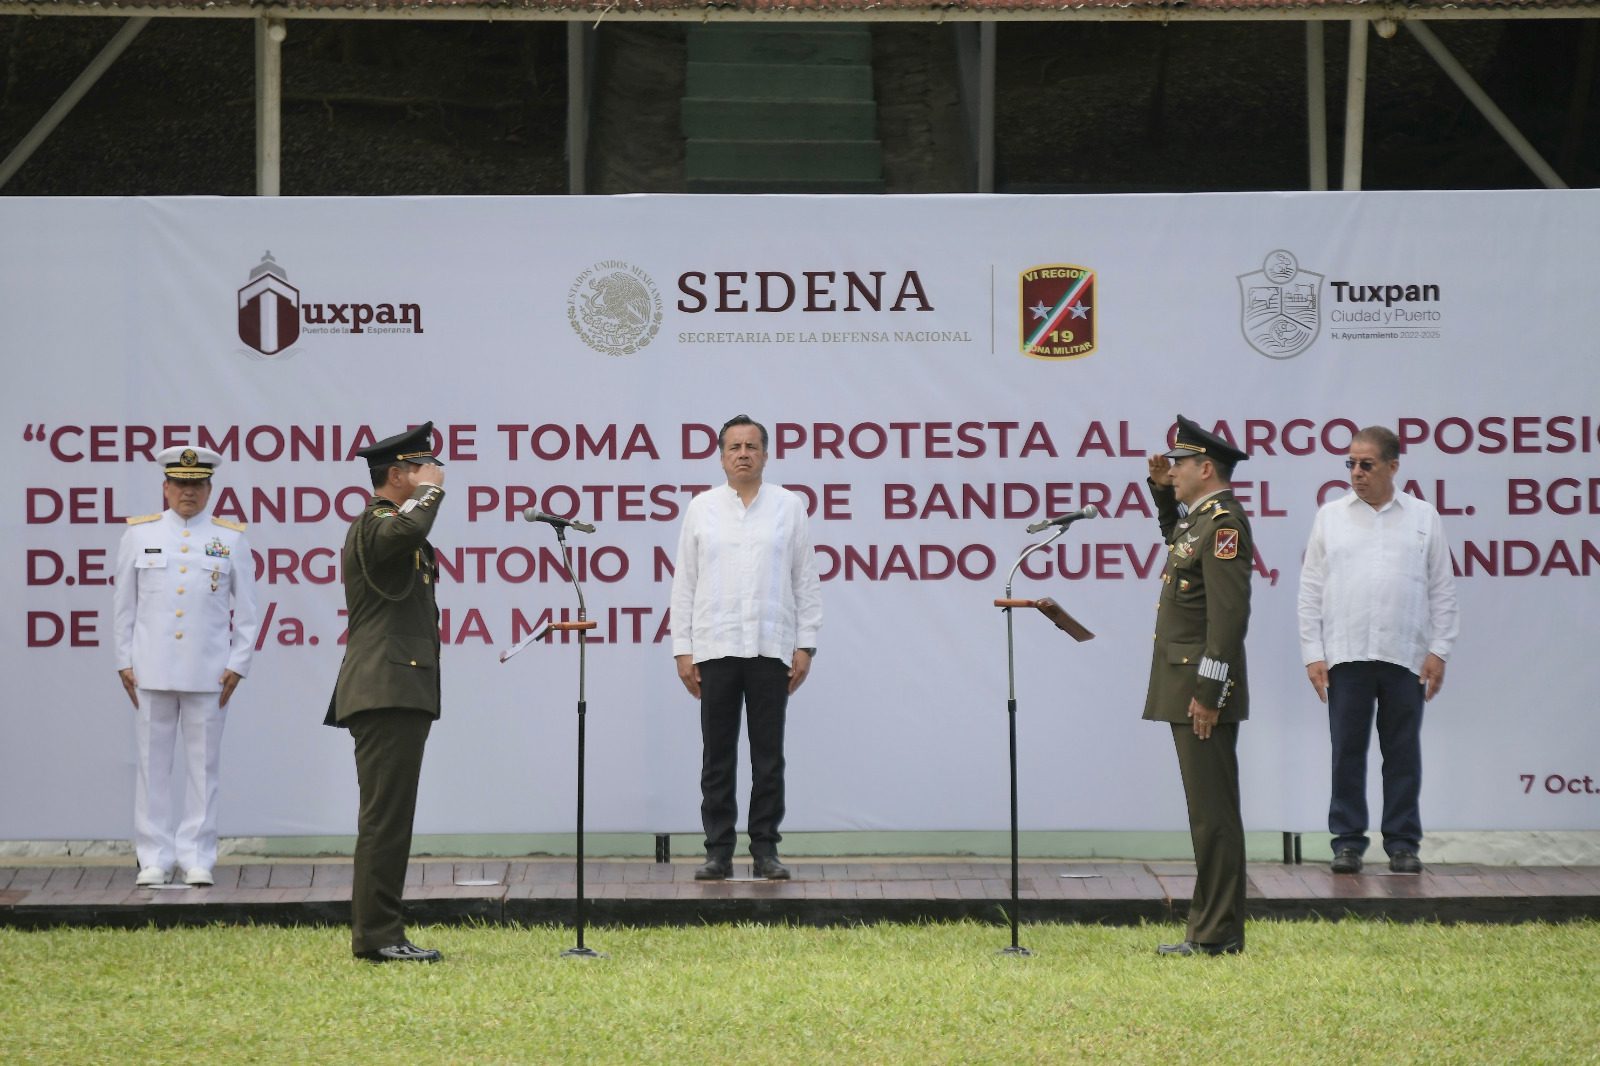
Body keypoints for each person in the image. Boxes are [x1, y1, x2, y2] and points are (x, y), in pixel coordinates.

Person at [1297, 425, 1459, 876]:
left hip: (1405, 655)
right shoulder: (1330, 516)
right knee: (1347, 751)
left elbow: (1441, 588)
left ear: (1393, 466)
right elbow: (1310, 589)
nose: (1356, 472)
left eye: (1366, 464)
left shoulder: (1423, 517)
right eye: (1349, 463)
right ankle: (1347, 842)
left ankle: (1403, 843)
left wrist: (1439, 649)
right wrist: (1313, 651)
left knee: (1402, 753)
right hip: (1345, 654)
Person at [670, 414, 822, 881]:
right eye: (734, 447)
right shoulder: (702, 508)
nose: (742, 454)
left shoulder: (788, 506)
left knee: (767, 756)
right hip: (715, 646)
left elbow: (805, 579)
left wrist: (806, 645)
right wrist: (683, 649)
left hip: (770, 647)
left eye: (751, 446)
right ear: (720, 456)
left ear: (765, 454)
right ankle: (718, 851)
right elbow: (685, 583)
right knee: (717, 756)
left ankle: (765, 850)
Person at [325, 422, 447, 963]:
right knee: (384, 820)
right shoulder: (376, 524)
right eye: (420, 468)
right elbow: (403, 533)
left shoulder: (389, 526)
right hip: (385, 687)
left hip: (398, 686)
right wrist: (431, 491)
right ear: (397, 475)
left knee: (391, 818)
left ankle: (383, 930)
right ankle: (378, 936)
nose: (433, 474)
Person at [113, 446, 258, 889]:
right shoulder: (139, 536)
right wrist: (124, 659)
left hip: (208, 671)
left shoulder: (230, 538)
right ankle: (153, 856)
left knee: (203, 767)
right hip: (152, 669)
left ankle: (198, 855)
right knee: (152, 767)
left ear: (210, 489)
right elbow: (124, 605)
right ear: (165, 488)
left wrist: (238, 662)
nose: (187, 493)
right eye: (180, 484)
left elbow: (248, 610)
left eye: (196, 485)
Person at [1143, 415, 1253, 957]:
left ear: (1205, 468)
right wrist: (1163, 496)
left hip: (1200, 691)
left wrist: (1209, 695)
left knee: (1213, 816)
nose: (1174, 470)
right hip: (1185, 684)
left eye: (1180, 464)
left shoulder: (1226, 524)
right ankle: (1210, 929)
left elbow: (1228, 620)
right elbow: (1177, 540)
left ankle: (1216, 934)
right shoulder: (1200, 522)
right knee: (1204, 814)